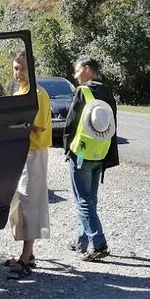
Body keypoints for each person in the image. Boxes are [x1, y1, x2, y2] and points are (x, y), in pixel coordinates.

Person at [62, 56, 119, 261]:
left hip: (82, 153)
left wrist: (68, 150)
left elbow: (71, 123)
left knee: (83, 200)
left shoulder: (82, 91)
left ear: (87, 69)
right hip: (101, 152)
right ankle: (81, 240)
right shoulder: (107, 92)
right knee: (91, 198)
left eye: (77, 70)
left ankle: (99, 243)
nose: (75, 74)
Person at [5, 53, 51, 279]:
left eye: (22, 68)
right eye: (15, 68)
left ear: (31, 69)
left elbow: (37, 128)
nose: (18, 72)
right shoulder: (20, 92)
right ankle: (27, 253)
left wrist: (10, 122)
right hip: (19, 154)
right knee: (18, 204)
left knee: (29, 203)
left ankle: (25, 259)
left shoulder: (37, 94)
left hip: (33, 154)